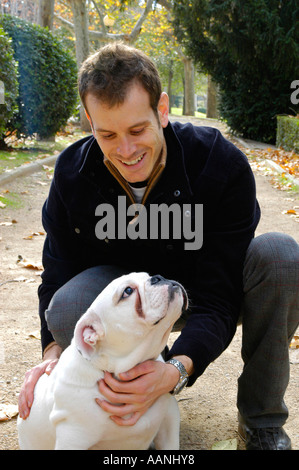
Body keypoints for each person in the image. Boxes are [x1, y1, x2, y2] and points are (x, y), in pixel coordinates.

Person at [18, 42, 299, 450]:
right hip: (125, 295)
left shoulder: (221, 165)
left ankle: (261, 420)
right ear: (89, 121)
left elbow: (220, 296)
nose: (126, 151)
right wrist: (50, 357)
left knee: (281, 257)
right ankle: (127, 412)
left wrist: (177, 369)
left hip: (203, 290)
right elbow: (57, 271)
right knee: (65, 306)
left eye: (137, 130)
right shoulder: (72, 173)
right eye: (107, 134)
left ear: (162, 109)